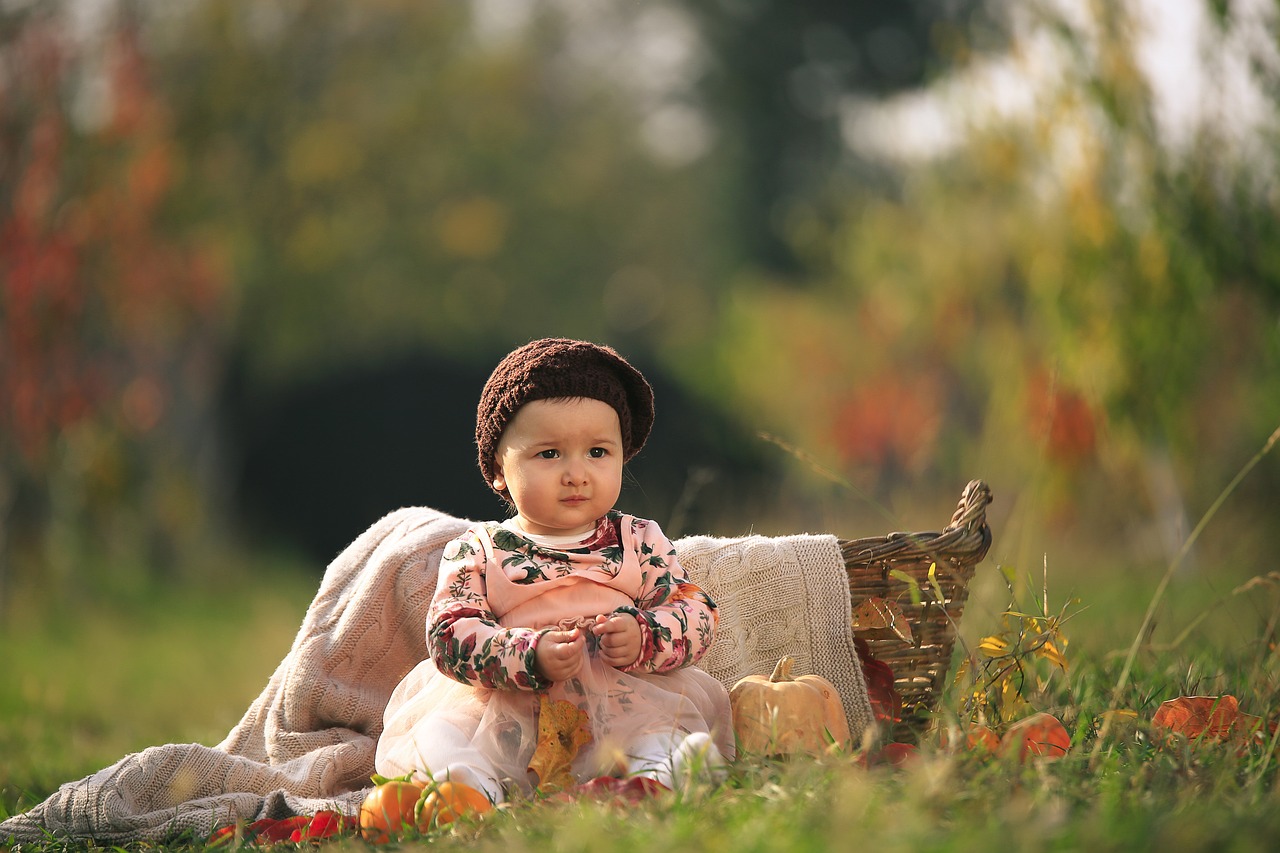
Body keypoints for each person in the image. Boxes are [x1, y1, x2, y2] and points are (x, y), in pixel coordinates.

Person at [375, 338, 734, 807]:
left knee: (658, 737)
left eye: (598, 452)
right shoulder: (479, 549)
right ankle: (467, 790)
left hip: (622, 707)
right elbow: (449, 634)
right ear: (498, 469)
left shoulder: (639, 539)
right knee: (440, 731)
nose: (576, 473)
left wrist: (643, 634)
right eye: (549, 454)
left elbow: (694, 611)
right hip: (506, 711)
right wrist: (529, 653)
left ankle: (654, 779)